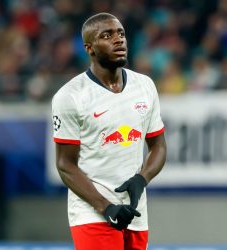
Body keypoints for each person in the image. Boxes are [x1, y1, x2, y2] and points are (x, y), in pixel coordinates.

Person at [51, 13, 167, 250]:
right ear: (89, 48)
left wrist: (142, 179)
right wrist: (105, 206)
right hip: (92, 212)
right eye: (107, 35)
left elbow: (158, 146)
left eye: (121, 34)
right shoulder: (70, 96)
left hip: (135, 211)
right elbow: (65, 165)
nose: (118, 40)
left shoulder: (145, 86)